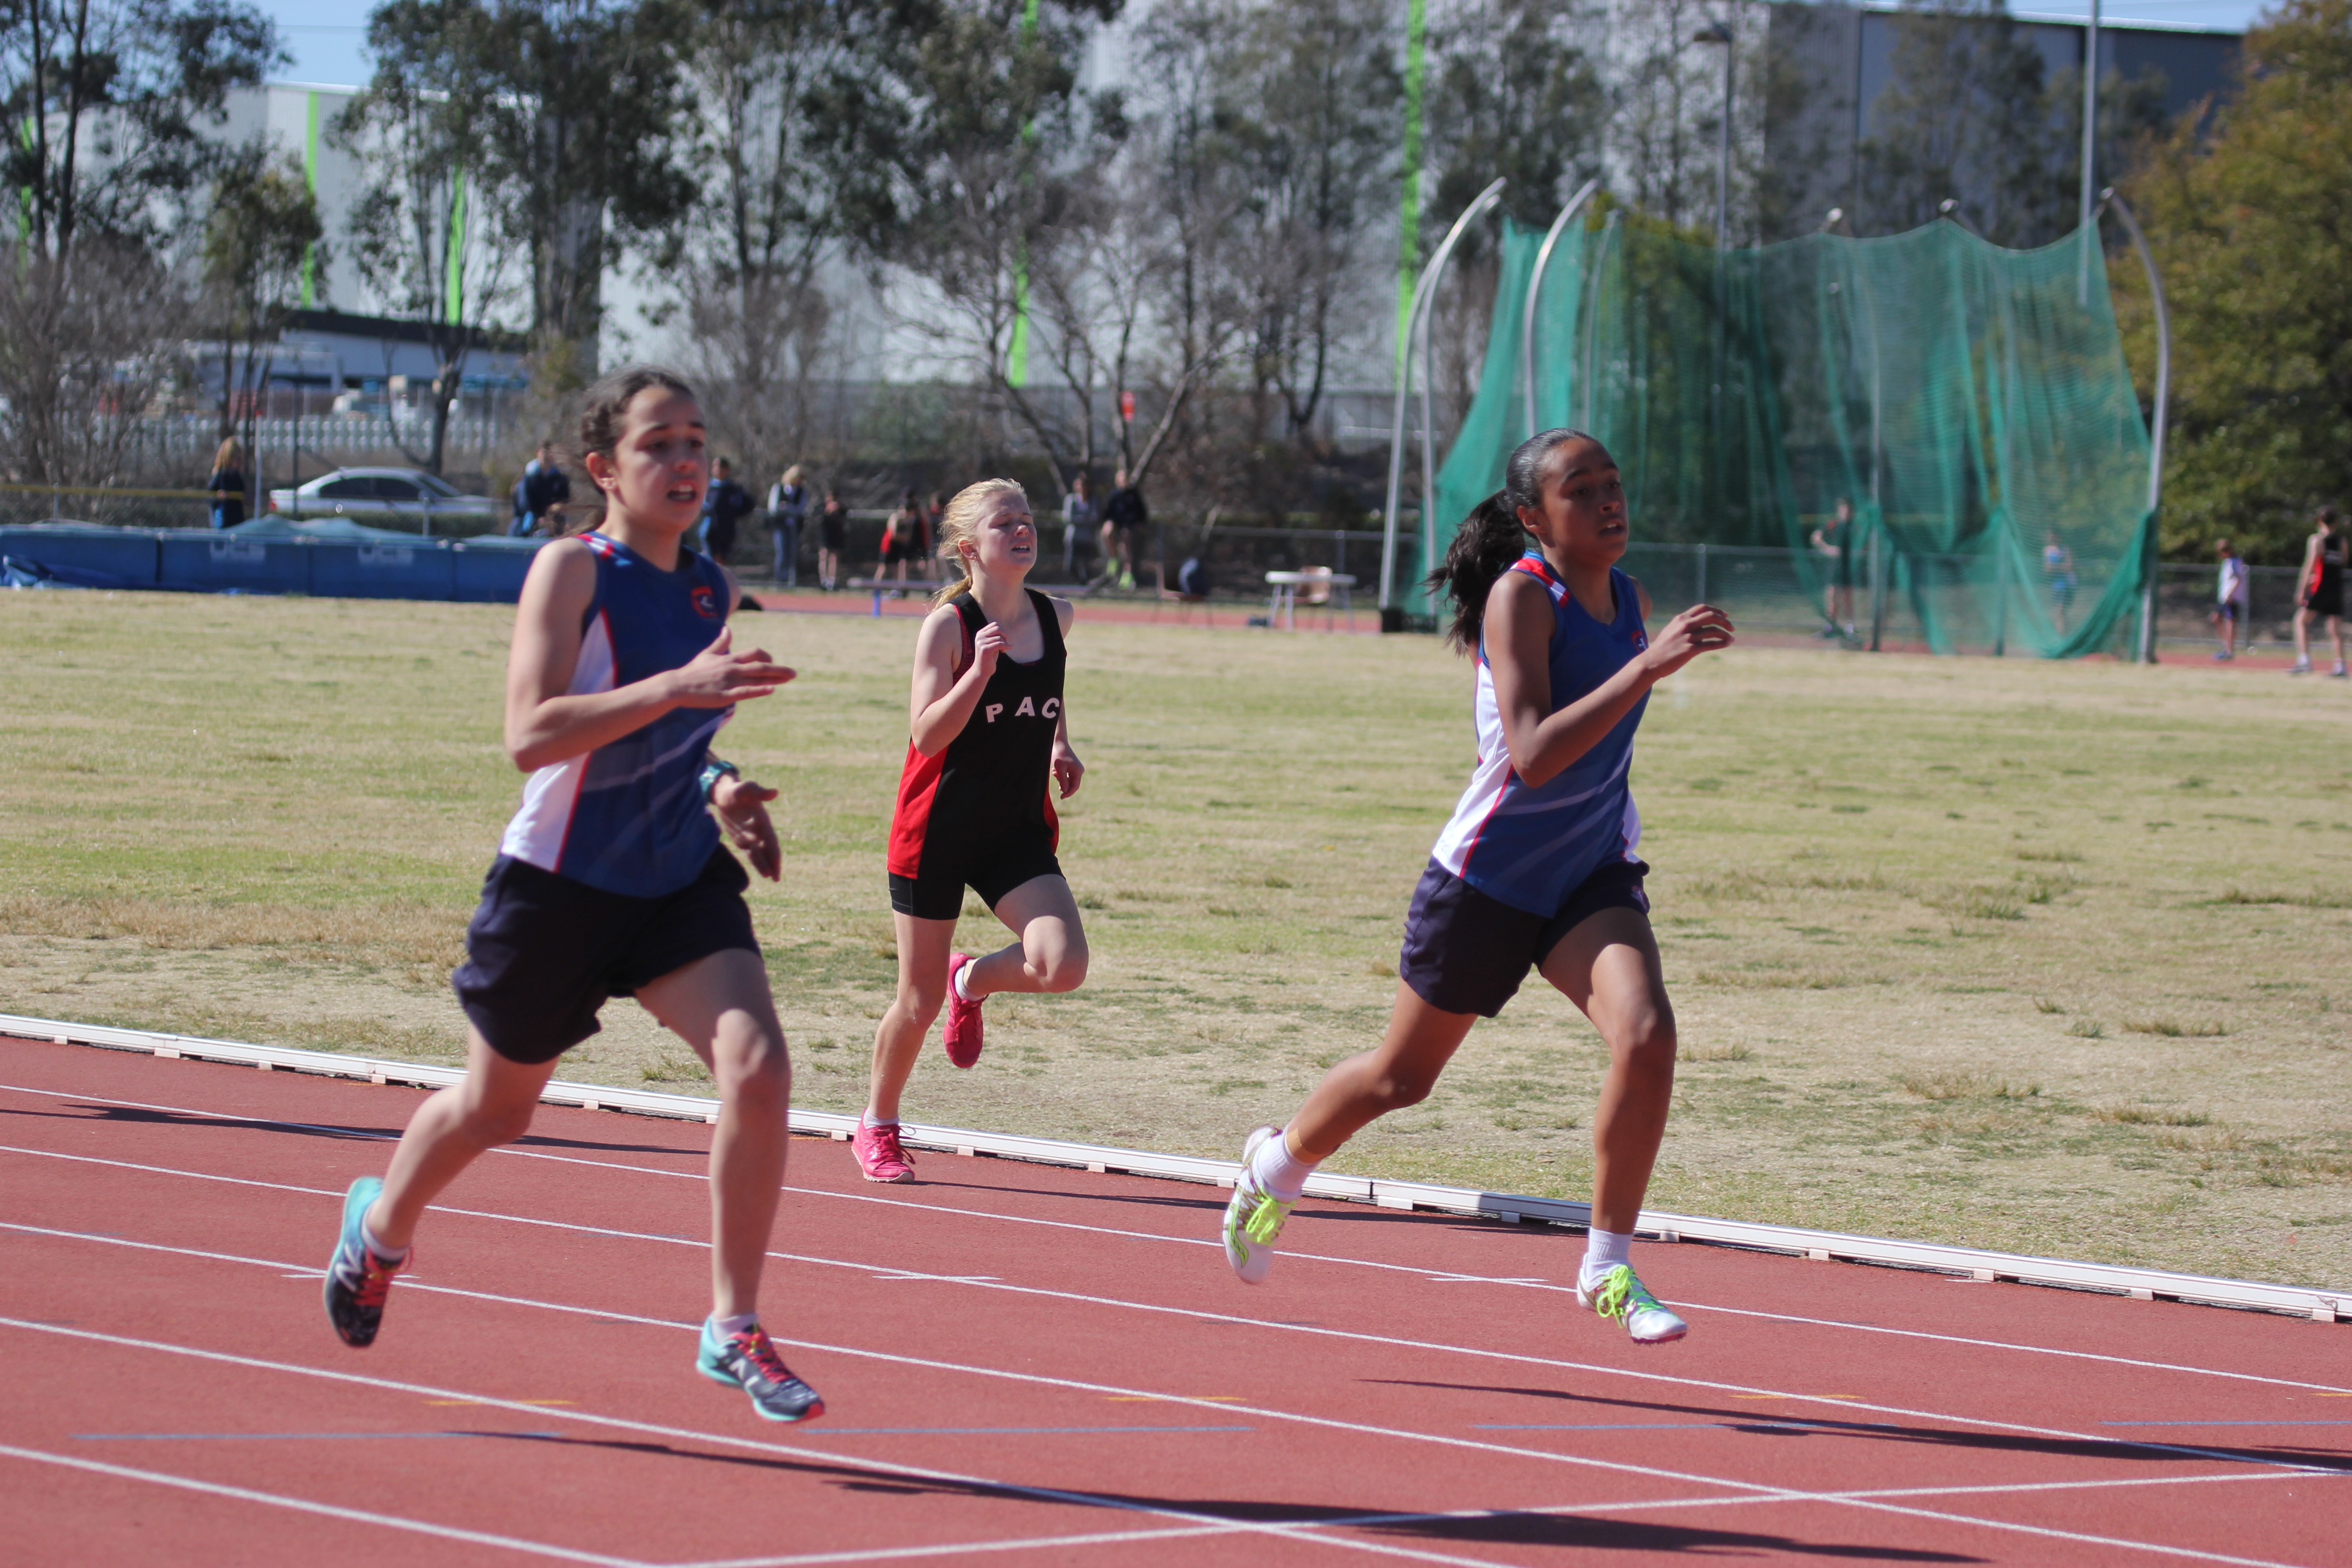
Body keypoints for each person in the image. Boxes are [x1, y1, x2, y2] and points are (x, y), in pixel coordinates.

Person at [320, 366, 824, 1425]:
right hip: (557, 885)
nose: (686, 461)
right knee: (497, 1109)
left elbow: (669, 735)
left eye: (697, 439)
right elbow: (531, 734)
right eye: (658, 443)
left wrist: (722, 784)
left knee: (760, 1063)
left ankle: (732, 1322)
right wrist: (677, 689)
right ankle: (378, 1230)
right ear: (603, 468)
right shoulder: (570, 570)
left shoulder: (708, 586)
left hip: (673, 875)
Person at [1216, 427, 1734, 1347]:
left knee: (1649, 1034)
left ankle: (1606, 1265)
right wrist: (1647, 664)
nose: (1611, 501)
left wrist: (1641, 656)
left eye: (1615, 483)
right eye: (1584, 490)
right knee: (1400, 1079)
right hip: (1487, 878)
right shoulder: (1521, 599)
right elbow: (1532, 757)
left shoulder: (1628, 599)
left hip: (1589, 875)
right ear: (1537, 518)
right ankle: (1277, 1163)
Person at [853, 479, 1088, 1184]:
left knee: (1062, 964)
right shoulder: (950, 627)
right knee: (916, 1002)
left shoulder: (1058, 616)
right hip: (939, 830)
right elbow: (926, 736)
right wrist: (979, 672)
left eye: (1028, 519)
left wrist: (1058, 743)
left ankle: (974, 981)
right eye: (1004, 524)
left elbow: (1048, 686)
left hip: (1013, 827)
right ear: (969, 549)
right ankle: (877, 1125)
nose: (1022, 530)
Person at [2289, 505, 2346, 677]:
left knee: (2300, 621)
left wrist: (2302, 589)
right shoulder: (2341, 541)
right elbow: (2342, 562)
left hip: (2320, 587)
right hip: (2336, 587)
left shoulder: (2317, 540)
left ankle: (2305, 660)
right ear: (2336, 523)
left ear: (2319, 521)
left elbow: (2310, 565)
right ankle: (2340, 666)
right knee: (2335, 628)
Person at [1809, 498, 1857, 640]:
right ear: (1839, 510)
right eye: (1844, 510)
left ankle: (1850, 629)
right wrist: (1828, 549)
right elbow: (1816, 537)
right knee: (1832, 596)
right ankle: (1831, 627)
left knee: (1848, 597)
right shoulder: (1834, 524)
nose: (1846, 513)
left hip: (1848, 566)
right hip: (1836, 567)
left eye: (1849, 510)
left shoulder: (1855, 526)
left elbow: (1866, 541)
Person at [1100, 468, 1147, 590]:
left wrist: (1138, 523)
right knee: (1108, 532)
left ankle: (1127, 575)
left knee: (1126, 542)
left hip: (1129, 526)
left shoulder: (1134, 494)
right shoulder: (1114, 495)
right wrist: (1108, 522)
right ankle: (1114, 559)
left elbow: (1141, 513)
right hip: (1117, 524)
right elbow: (1107, 513)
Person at [512, 442, 571, 538]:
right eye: (544, 453)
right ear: (538, 454)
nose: (546, 456)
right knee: (524, 527)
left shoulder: (560, 477)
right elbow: (525, 502)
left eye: (549, 453)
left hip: (553, 516)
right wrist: (539, 517)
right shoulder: (529, 477)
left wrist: (553, 514)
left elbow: (564, 499)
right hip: (532, 516)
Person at [703, 457, 755, 564]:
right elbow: (701, 506)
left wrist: (734, 514)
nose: (718, 470)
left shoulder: (733, 489)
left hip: (727, 531)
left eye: (721, 467)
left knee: (722, 563)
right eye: (716, 467)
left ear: (727, 470)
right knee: (709, 561)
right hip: (710, 531)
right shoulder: (707, 488)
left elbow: (750, 504)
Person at [767, 465, 809, 588]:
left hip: (795, 527)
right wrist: (786, 509)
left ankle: (791, 581)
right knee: (782, 552)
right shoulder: (779, 488)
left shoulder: (802, 492)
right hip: (781, 526)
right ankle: (780, 581)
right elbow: (773, 507)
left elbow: (801, 509)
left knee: (792, 553)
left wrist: (788, 507)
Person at [883, 489, 928, 591]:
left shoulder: (919, 509)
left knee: (922, 564)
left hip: (917, 540)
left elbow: (925, 522)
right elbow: (894, 530)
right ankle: (901, 588)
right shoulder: (900, 514)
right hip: (903, 541)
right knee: (900, 565)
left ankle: (928, 588)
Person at [2212, 539, 2249, 661]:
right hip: (2224, 597)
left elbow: (2238, 579)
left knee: (2230, 622)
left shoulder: (2235, 561)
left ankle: (2229, 650)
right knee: (2217, 618)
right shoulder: (2227, 562)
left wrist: (2231, 594)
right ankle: (2227, 647)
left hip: (2231, 597)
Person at [1061, 474, 1098, 584]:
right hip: (1073, 538)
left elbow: (1094, 518)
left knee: (1086, 567)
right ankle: (1076, 583)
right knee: (1070, 566)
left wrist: (1080, 519)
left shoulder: (1093, 501)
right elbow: (1068, 518)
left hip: (1087, 538)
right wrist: (1084, 519)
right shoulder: (1070, 500)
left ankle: (1084, 587)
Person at [206, 438, 248, 531]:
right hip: (224, 520)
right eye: (235, 458)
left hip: (237, 519)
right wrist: (218, 496)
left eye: (239, 458)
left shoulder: (238, 477)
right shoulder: (221, 475)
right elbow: (211, 496)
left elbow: (242, 494)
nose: (237, 461)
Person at [2043, 529, 2076, 637]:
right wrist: (2060, 567)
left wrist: (2055, 567)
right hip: (2057, 585)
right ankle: (2063, 637)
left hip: (2068, 585)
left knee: (2061, 611)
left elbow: (2069, 566)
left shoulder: (2065, 549)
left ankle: (2062, 638)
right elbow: (2047, 569)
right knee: (2059, 613)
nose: (2050, 538)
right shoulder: (2047, 550)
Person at [816, 489, 848, 592]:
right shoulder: (821, 507)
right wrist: (828, 511)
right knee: (824, 557)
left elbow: (845, 516)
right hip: (826, 535)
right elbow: (818, 517)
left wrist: (837, 511)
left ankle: (833, 581)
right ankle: (823, 581)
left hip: (837, 535)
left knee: (834, 558)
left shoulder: (842, 509)